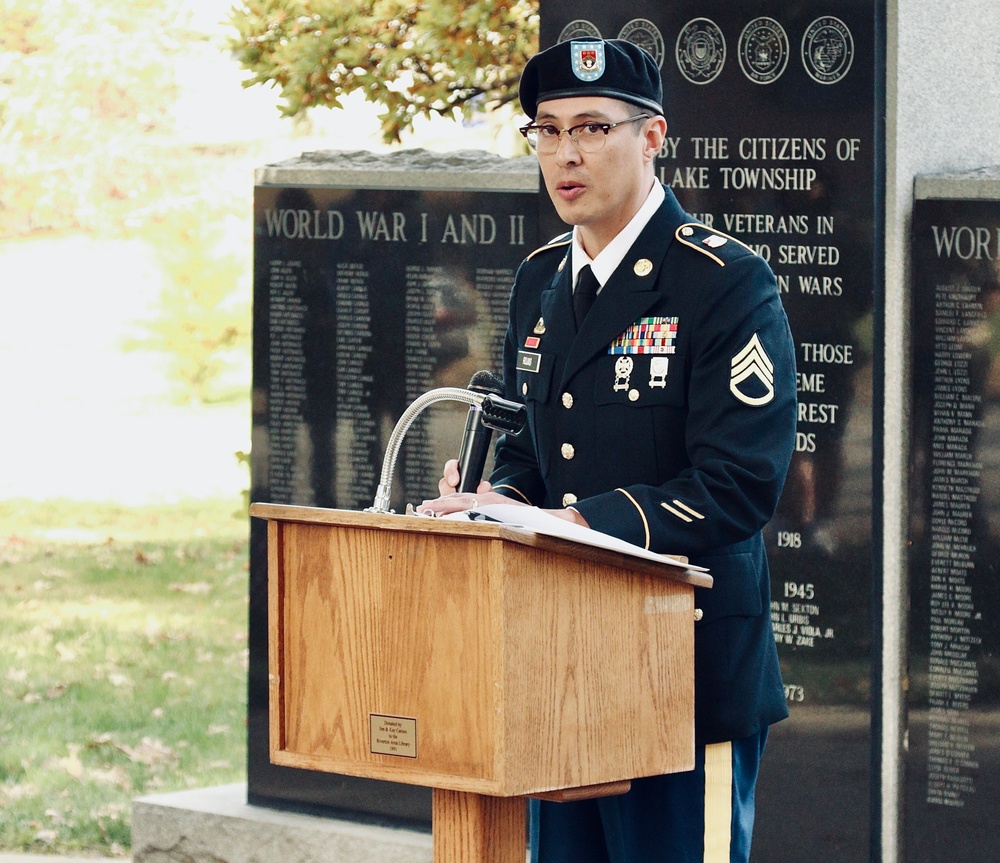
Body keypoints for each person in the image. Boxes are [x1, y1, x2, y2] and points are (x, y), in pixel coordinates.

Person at [418, 37, 797, 863]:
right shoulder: (541, 277)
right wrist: (495, 496)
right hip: (560, 672)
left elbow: (738, 485)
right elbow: (531, 448)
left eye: (591, 127)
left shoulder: (723, 281)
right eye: (547, 131)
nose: (566, 154)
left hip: (684, 673)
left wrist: (572, 522)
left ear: (653, 137)